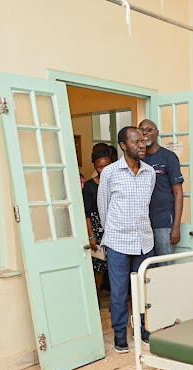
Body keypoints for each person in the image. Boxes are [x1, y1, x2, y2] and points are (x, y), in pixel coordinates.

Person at [97, 126, 156, 353]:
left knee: (142, 289)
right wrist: (113, 232)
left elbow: (146, 205)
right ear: (123, 145)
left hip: (144, 241)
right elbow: (103, 208)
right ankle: (120, 334)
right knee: (120, 291)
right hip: (118, 241)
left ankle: (142, 328)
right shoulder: (110, 173)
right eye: (136, 142)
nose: (142, 145)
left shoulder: (149, 172)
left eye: (143, 141)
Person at [139, 119, 184, 262]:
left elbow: (178, 192)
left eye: (149, 129)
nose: (145, 133)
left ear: (157, 133)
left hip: (163, 222)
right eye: (141, 130)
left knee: (165, 266)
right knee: (146, 268)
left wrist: (176, 226)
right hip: (142, 223)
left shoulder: (168, 157)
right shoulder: (138, 159)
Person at [83, 150, 111, 292]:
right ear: (94, 166)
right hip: (96, 227)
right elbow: (87, 212)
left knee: (115, 265)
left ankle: (116, 300)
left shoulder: (116, 182)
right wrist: (91, 234)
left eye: (107, 165)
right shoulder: (89, 186)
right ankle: (96, 298)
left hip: (113, 225)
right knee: (98, 265)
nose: (103, 169)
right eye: (100, 166)